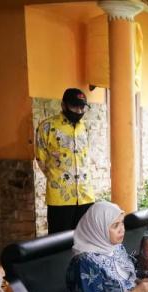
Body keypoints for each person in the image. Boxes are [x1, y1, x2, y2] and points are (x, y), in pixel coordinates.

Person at [35, 88, 95, 234]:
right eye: (74, 106)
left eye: (82, 107)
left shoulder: (86, 128)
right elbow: (41, 158)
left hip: (85, 196)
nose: (79, 111)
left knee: (85, 239)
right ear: (63, 105)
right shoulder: (47, 127)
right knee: (60, 240)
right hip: (60, 197)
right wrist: (58, 178)